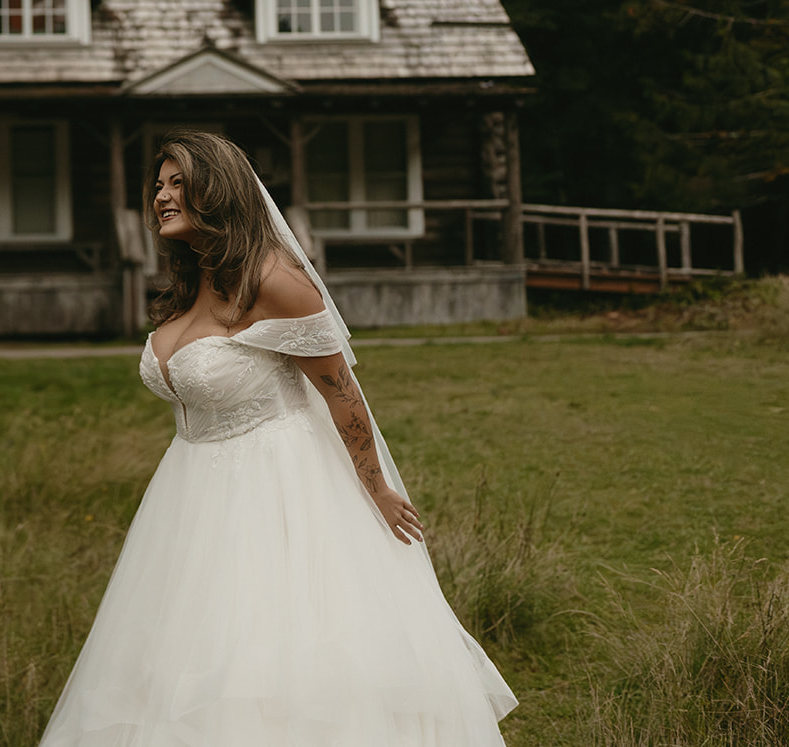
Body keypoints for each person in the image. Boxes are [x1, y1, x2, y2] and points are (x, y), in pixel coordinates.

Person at [38, 131, 517, 747]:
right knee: (183, 656)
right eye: (158, 184)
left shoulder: (277, 280)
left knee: (272, 657)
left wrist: (375, 488)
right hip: (189, 493)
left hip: (278, 487)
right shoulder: (197, 284)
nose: (161, 195)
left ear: (219, 188)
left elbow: (342, 393)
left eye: (178, 182)